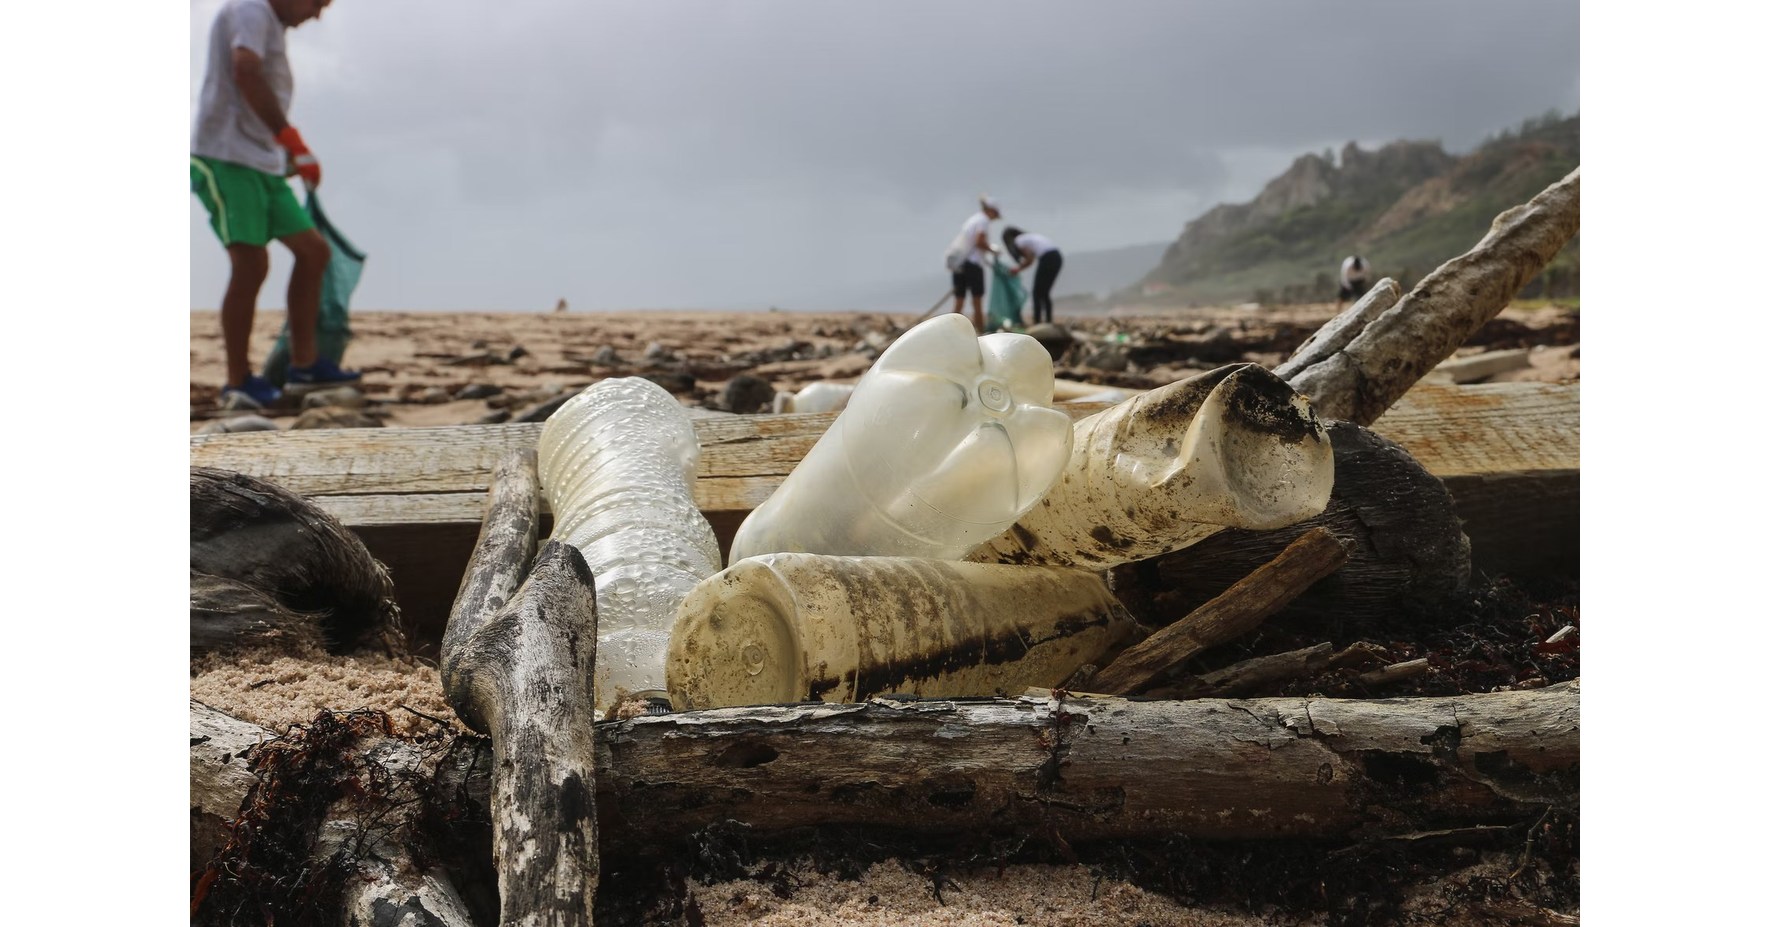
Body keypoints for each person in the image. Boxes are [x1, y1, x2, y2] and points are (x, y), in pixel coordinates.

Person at [192, 0, 360, 409]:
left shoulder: (270, 23)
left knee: (313, 251)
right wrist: (291, 139)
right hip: (225, 156)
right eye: (318, 2)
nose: (318, 14)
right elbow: (245, 71)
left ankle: (304, 366)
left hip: (261, 160)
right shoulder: (250, 9)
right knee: (251, 264)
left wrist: (283, 155)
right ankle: (238, 382)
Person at [943, 195, 1002, 331]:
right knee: (977, 299)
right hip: (973, 264)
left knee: (959, 299)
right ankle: (981, 331)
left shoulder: (972, 220)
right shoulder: (983, 221)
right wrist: (993, 249)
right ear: (991, 210)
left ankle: (952, 330)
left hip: (960, 264)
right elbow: (979, 241)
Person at [1002, 227, 1064, 326]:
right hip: (1057, 257)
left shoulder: (1019, 241)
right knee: (1045, 293)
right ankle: (1048, 321)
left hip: (1048, 258)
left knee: (1037, 293)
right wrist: (1020, 268)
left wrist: (1017, 269)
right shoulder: (1029, 237)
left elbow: (1030, 259)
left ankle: (1037, 321)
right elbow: (1031, 259)